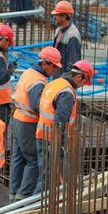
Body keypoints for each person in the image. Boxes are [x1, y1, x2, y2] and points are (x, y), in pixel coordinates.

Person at [9, 47, 62, 203]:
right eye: (54, 66)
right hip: (28, 123)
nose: (55, 70)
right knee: (33, 161)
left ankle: (13, 195)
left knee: (18, 159)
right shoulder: (38, 80)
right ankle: (23, 197)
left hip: (18, 118)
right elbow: (36, 105)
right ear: (45, 63)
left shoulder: (28, 73)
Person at [34, 60, 94, 195]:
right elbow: (60, 122)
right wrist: (60, 144)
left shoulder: (55, 83)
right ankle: (29, 211)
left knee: (45, 177)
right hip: (51, 140)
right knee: (47, 180)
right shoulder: (67, 91)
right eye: (84, 82)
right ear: (79, 77)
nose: (82, 86)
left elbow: (39, 105)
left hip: (42, 135)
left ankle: (34, 208)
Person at [51, 1, 81, 79]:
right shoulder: (58, 30)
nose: (54, 17)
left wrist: (65, 81)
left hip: (64, 79)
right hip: (57, 75)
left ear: (64, 17)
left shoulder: (72, 36)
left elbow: (72, 63)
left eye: (56, 15)